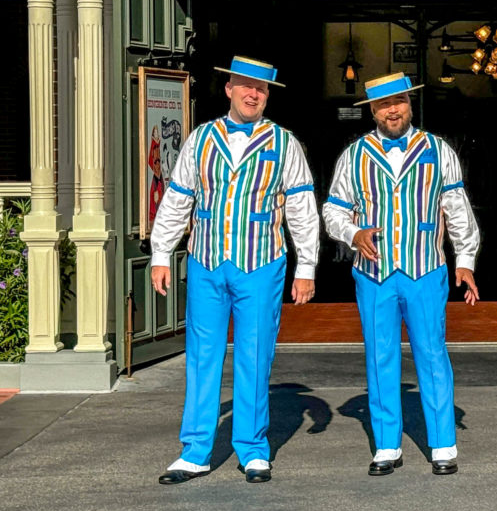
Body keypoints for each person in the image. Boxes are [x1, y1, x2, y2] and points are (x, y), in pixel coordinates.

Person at [150, 56, 320, 485]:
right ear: (229, 89)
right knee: (201, 357)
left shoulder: (285, 143)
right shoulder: (201, 138)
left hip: (260, 263)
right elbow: (178, 198)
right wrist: (161, 253)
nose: (252, 94)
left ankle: (253, 448)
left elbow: (301, 207)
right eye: (245, 85)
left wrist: (307, 266)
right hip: (206, 262)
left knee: (255, 355)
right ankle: (195, 451)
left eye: (260, 89)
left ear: (268, 95)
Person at [323, 72, 480, 476]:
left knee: (432, 354)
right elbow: (333, 210)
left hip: (424, 268)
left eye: (399, 102)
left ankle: (443, 443)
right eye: (383, 105)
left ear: (410, 104)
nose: (392, 111)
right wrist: (352, 233)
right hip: (373, 272)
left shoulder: (438, 150)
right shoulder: (354, 155)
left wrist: (465, 259)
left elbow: (456, 207)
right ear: (372, 111)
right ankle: (386, 445)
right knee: (380, 357)